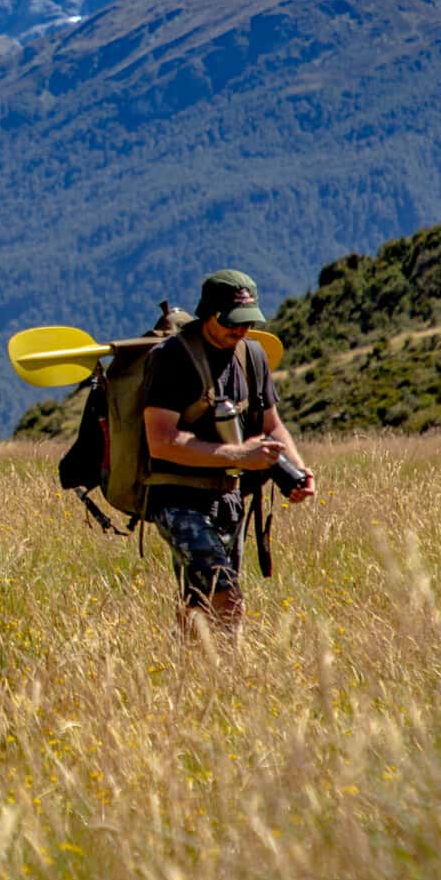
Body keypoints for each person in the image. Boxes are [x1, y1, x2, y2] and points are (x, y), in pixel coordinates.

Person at [140, 270, 316, 639]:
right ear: (209, 314)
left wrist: (298, 471)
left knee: (199, 600)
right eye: (232, 323)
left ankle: (186, 671)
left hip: (229, 498)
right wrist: (240, 454)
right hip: (177, 497)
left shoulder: (253, 355)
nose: (240, 331)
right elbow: (162, 441)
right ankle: (228, 677)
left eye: (247, 323)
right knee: (227, 594)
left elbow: (272, 424)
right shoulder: (171, 359)